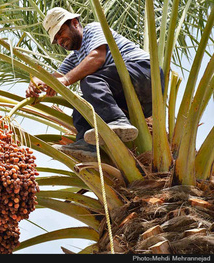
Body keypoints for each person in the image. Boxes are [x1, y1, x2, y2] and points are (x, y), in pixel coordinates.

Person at [26, 7, 164, 161]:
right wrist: (38, 81)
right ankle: (87, 145)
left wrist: (65, 81)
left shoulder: (93, 29)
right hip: (141, 104)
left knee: (90, 80)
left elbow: (97, 58)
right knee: (82, 107)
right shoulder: (74, 58)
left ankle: (118, 121)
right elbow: (54, 77)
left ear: (74, 23)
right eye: (55, 39)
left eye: (60, 33)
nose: (59, 41)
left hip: (145, 74)